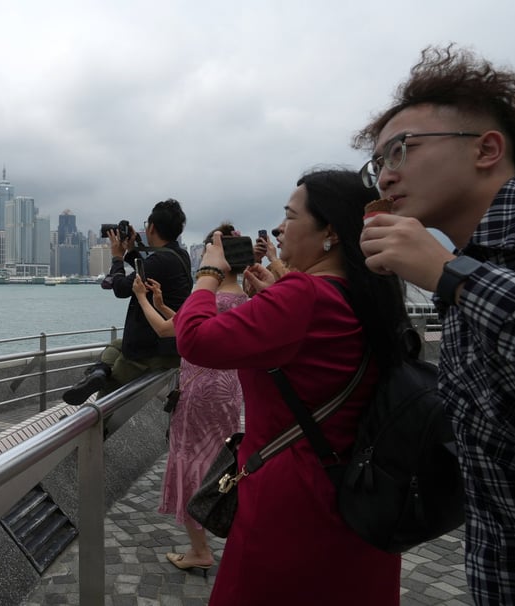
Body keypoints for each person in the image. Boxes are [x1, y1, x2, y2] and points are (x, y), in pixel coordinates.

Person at [355, 45, 515, 605]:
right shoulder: (466, 264)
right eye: (377, 165)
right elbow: (500, 509)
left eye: (401, 151)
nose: (385, 177)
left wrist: (451, 277)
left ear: (487, 149)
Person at [174, 170, 409, 605]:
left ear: (330, 232)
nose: (280, 229)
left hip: (292, 499)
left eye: (290, 216)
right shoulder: (364, 291)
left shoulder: (304, 295)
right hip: (354, 493)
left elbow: (194, 339)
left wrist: (208, 271)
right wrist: (276, 296)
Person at [132, 222, 249, 574]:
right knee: (220, 461)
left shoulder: (210, 296)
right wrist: (165, 303)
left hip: (199, 393)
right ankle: (229, 533)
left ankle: (199, 549)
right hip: (230, 390)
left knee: (191, 462)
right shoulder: (244, 298)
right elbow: (193, 326)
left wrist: (141, 298)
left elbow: (167, 331)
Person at [62, 199, 192, 405]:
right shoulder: (180, 255)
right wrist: (132, 249)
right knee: (115, 345)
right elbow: (147, 269)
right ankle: (97, 373)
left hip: (151, 350)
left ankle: (92, 420)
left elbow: (122, 288)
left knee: (108, 395)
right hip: (172, 345)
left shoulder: (160, 261)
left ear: (151, 227)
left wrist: (117, 257)